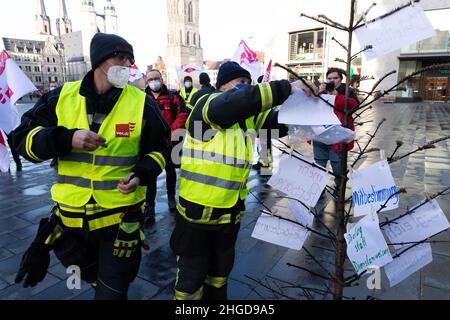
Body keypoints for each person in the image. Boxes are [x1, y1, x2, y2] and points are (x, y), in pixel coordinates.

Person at [12, 32, 171, 299]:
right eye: (119, 57)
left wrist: (141, 174)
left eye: (129, 59)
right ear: (99, 61)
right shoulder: (61, 97)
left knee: (112, 292)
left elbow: (161, 150)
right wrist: (66, 138)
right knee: (85, 283)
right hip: (71, 224)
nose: (126, 64)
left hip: (120, 222)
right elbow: (22, 140)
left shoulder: (141, 102)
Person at [170, 61, 316, 300]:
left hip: (229, 214)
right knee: (191, 279)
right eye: (241, 83)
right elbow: (241, 101)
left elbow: (277, 122)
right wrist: (287, 87)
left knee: (219, 276)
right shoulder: (207, 107)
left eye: (249, 83)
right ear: (222, 85)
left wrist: (311, 109)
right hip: (197, 215)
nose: (246, 87)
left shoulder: (247, 119)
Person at [144, 69, 188, 224]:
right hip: (150, 143)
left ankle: (171, 198)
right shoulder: (141, 98)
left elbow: (183, 113)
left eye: (156, 78)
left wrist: (172, 132)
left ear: (162, 79)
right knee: (150, 175)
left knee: (170, 171)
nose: (154, 81)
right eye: (150, 79)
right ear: (146, 81)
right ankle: (149, 206)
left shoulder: (173, 96)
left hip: (169, 142)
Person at [313, 67, 358, 190]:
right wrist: (317, 93)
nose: (332, 81)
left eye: (335, 78)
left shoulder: (347, 91)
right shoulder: (321, 90)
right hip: (320, 135)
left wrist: (337, 97)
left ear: (341, 79)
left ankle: (339, 188)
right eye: (329, 78)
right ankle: (318, 190)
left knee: (337, 166)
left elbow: (354, 106)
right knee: (319, 164)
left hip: (338, 137)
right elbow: (310, 108)